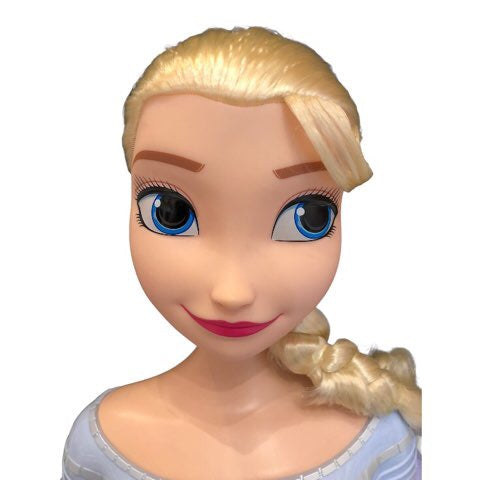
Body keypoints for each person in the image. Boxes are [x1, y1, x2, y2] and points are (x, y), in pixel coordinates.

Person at [61, 26, 421, 480]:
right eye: (170, 212)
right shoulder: (100, 443)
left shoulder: (380, 436)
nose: (232, 292)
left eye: (308, 217)